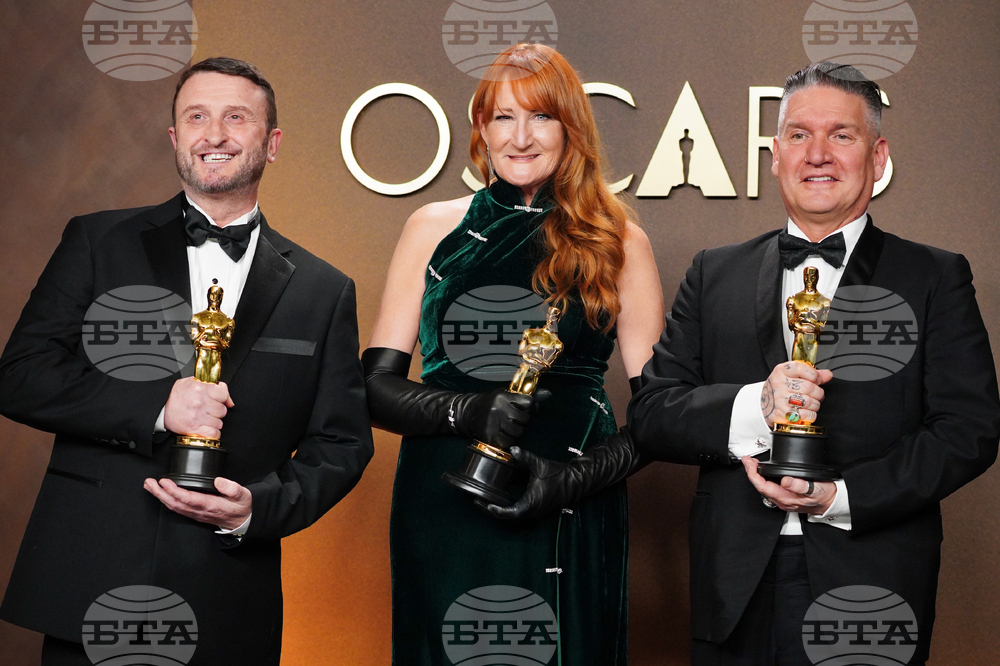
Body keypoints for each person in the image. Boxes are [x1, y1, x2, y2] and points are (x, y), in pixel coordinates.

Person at [0, 57, 373, 665]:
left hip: (228, 597)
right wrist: (156, 406)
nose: (215, 134)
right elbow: (19, 376)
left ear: (271, 143)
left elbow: (343, 443)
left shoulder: (325, 290)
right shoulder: (97, 241)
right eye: (196, 117)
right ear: (176, 139)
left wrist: (258, 509)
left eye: (236, 117)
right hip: (92, 580)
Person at [628, 61, 1000, 666]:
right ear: (775, 155)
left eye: (841, 136)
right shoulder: (712, 272)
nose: (817, 154)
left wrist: (840, 497)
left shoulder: (934, 276)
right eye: (799, 135)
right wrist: (757, 404)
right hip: (732, 589)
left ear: (878, 158)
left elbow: (969, 430)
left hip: (873, 588)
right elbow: (652, 413)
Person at [363, 44, 663, 664]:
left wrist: (573, 480)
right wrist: (469, 413)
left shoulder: (620, 240)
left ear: (571, 127)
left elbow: (665, 414)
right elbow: (374, 388)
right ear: (480, 128)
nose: (520, 137)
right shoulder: (432, 227)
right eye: (503, 117)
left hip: (567, 496)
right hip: (443, 499)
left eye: (541, 117)